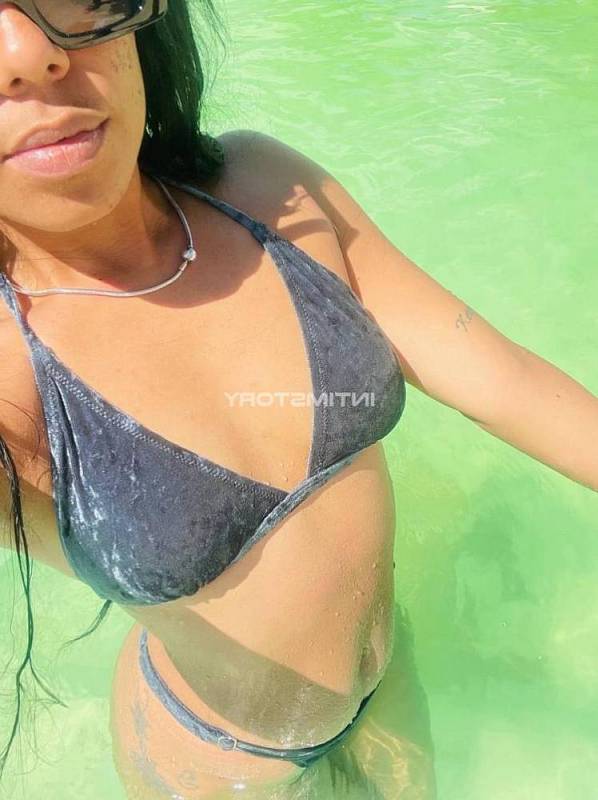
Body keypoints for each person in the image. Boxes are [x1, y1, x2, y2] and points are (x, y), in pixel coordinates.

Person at [0, 1, 595, 798]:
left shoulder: (265, 192)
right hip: (223, 761)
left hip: (387, 674)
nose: (28, 52)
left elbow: (504, 382)